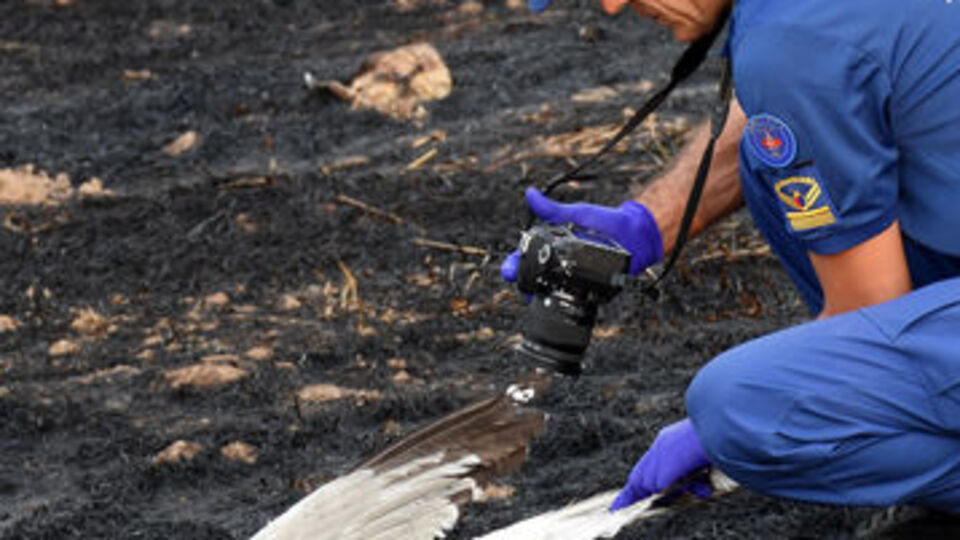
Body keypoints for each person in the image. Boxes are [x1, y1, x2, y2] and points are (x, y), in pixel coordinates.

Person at [503, 0, 960, 514]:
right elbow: (790, 102)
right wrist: (649, 224)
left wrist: (730, 435)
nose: (611, 7)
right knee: (767, 160)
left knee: (737, 405)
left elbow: (872, 303)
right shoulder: (798, 19)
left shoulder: (792, 40)